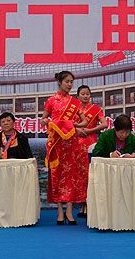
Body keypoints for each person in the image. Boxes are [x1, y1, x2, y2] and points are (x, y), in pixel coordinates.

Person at [41, 71, 88, 225]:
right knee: (57, 175)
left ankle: (69, 210)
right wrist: (48, 122)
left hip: (71, 143)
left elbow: (85, 122)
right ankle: (60, 211)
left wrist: (72, 125)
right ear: (60, 82)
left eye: (71, 82)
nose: (69, 84)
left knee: (70, 175)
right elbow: (43, 119)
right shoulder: (51, 101)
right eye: (67, 81)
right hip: (56, 143)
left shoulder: (75, 102)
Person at [75, 85, 106, 217]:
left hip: (90, 144)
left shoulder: (96, 109)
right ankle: (82, 205)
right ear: (78, 96)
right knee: (79, 175)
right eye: (82, 94)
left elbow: (104, 124)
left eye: (87, 94)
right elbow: (67, 124)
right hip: (76, 144)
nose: (85, 96)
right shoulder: (74, 109)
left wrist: (90, 130)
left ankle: (89, 204)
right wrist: (76, 130)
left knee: (90, 174)